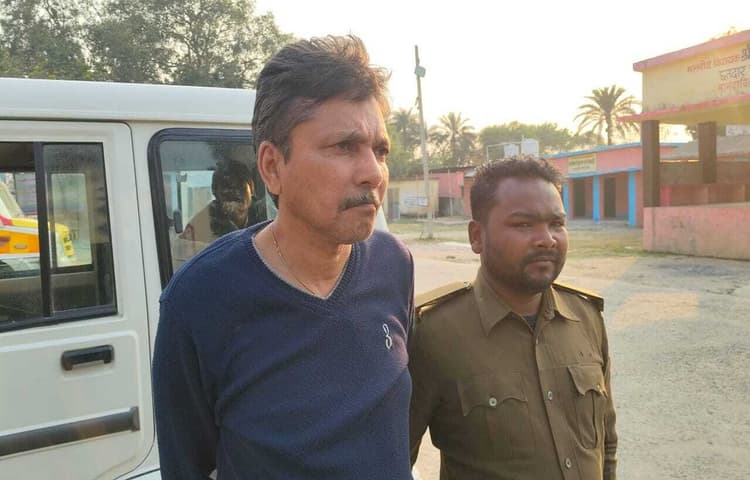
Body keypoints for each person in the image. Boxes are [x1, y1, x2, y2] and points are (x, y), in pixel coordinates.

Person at [152, 35, 414, 480]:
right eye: (344, 147)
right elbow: (188, 465)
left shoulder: (394, 265)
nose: (373, 172)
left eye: (380, 150)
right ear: (273, 167)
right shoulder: (200, 298)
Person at [409, 157, 617, 480]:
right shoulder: (433, 334)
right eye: (523, 225)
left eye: (556, 224)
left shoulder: (585, 316)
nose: (546, 239)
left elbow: (606, 443)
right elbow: (393, 459)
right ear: (477, 237)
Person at [179, 159, 255, 245]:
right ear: (215, 191)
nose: (234, 192)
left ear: (252, 189)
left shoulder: (264, 215)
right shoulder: (198, 227)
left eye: (240, 186)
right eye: (226, 186)